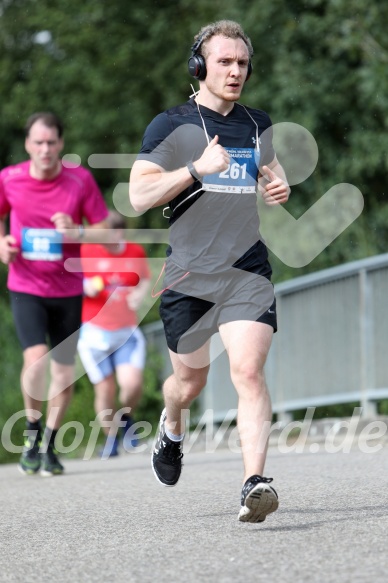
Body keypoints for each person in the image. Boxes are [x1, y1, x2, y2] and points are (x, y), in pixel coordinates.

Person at [129, 20, 290, 523]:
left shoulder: (257, 123)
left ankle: (254, 483)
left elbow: (273, 169)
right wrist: (196, 169)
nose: (235, 71)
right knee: (188, 383)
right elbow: (138, 197)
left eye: (242, 63)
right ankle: (171, 424)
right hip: (189, 275)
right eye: (224, 61)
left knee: (247, 370)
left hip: (246, 270)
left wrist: (278, 186)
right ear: (200, 66)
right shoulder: (170, 125)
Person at [0, 112, 109, 476]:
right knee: (36, 359)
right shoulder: (9, 179)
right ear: (28, 145)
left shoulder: (79, 181)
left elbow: (105, 230)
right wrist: (2, 244)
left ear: (61, 144)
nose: (45, 149)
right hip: (26, 285)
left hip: (67, 289)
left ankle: (48, 444)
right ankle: (31, 430)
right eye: (38, 142)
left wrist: (76, 231)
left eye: (51, 142)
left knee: (63, 373)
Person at [77, 210, 151, 458]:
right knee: (105, 389)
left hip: (125, 332)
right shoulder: (87, 250)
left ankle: (127, 418)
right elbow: (76, 283)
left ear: (118, 233)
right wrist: (90, 285)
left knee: (131, 385)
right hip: (95, 334)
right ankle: (110, 440)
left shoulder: (135, 251)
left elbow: (144, 280)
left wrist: (139, 295)